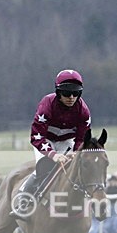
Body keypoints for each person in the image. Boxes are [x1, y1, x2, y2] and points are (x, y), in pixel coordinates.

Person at [14, 69, 91, 217]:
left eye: (75, 93)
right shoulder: (47, 104)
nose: (71, 97)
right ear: (58, 92)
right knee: (44, 167)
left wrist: (75, 152)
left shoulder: (84, 111)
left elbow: (82, 138)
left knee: (75, 170)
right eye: (66, 93)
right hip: (45, 140)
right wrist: (53, 155)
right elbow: (36, 136)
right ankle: (24, 201)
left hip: (67, 141)